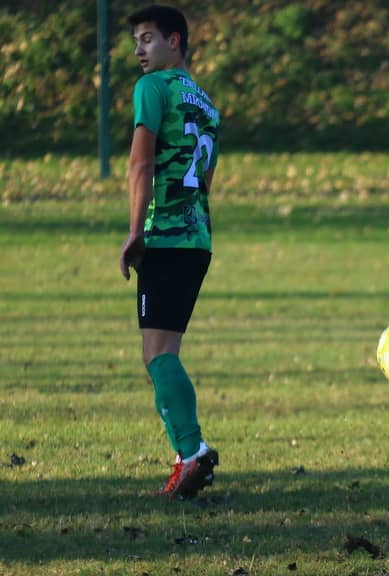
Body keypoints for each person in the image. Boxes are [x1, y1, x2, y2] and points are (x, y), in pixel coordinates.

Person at [119, 4, 221, 499]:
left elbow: (141, 164)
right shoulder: (206, 103)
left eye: (148, 39)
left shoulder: (152, 88)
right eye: (136, 42)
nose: (139, 51)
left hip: (164, 236)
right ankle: (185, 456)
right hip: (197, 237)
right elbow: (206, 178)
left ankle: (193, 450)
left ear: (174, 41)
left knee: (158, 354)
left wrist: (135, 230)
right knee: (163, 352)